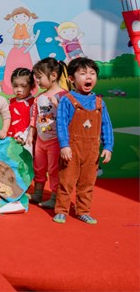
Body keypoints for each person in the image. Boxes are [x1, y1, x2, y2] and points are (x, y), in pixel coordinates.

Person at [53, 57, 113, 224]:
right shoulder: (67, 100)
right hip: (71, 150)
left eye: (92, 73)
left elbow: (106, 125)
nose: (88, 77)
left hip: (92, 151)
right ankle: (61, 210)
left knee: (87, 183)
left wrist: (108, 146)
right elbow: (61, 124)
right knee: (66, 181)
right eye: (83, 73)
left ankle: (83, 211)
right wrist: (64, 145)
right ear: (71, 79)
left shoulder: (99, 103)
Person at [26, 58, 68, 208]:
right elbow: (34, 117)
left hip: (56, 140)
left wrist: (58, 105)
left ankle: (55, 196)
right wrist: (31, 134)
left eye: (39, 77)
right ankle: (38, 193)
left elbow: (69, 117)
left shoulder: (64, 96)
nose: (37, 81)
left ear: (53, 75)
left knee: (54, 169)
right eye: (36, 78)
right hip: (41, 140)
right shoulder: (39, 98)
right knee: (39, 167)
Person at [6, 67, 35, 144]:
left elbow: (33, 123)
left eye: (23, 86)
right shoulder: (11, 101)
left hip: (25, 141)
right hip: (10, 139)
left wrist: (24, 137)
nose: (19, 89)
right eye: (15, 86)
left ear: (31, 86)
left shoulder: (33, 102)